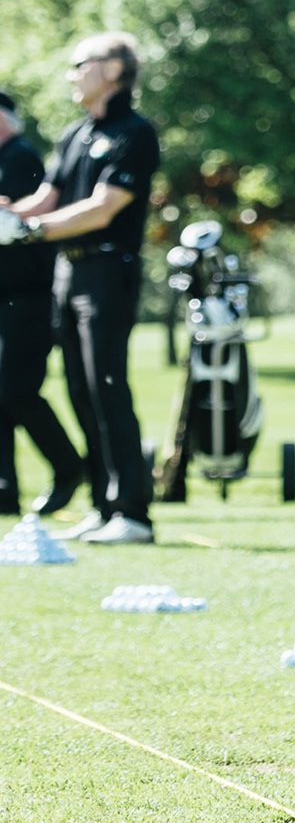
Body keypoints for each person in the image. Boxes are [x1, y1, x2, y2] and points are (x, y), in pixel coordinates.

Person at [0, 34, 161, 545]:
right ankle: (103, 503)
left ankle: (132, 512)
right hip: (67, 274)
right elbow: (47, 198)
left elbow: (102, 207)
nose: (72, 75)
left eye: (79, 65)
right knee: (78, 392)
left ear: (113, 69)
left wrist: (28, 231)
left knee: (107, 386)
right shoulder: (74, 134)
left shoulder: (135, 132)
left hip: (108, 271)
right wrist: (10, 214)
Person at [0, 91, 85, 517]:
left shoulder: (19, 159)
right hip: (7, 301)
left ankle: (69, 466)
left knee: (17, 390)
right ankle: (3, 491)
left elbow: (26, 228)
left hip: (28, 299)